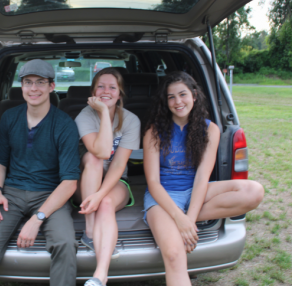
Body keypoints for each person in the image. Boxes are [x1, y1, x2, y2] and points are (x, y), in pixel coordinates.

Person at [0, 59, 80, 286]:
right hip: (11, 194)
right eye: (28, 82)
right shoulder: (9, 118)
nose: (33, 88)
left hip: (50, 195)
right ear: (21, 86)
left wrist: (37, 219)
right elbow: (0, 161)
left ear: (51, 87)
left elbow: (69, 183)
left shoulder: (65, 124)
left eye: (40, 82)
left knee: (65, 244)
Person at [142, 71, 264, 285]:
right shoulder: (153, 131)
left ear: (194, 95)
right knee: (173, 255)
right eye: (171, 97)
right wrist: (179, 218)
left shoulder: (210, 129)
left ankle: (178, 222)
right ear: (166, 101)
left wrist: (188, 220)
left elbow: (202, 177)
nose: (178, 101)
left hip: (197, 191)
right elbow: (152, 182)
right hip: (163, 196)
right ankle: (172, 220)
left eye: (182, 94)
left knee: (254, 191)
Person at [74, 68, 140, 286]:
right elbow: (101, 152)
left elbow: (119, 164)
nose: (106, 91)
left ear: (119, 94)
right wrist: (103, 112)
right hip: (85, 183)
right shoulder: (84, 115)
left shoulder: (131, 121)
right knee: (93, 159)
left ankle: (100, 276)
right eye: (101, 86)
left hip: (114, 180)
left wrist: (101, 194)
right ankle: (90, 231)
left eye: (112, 87)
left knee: (107, 203)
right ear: (93, 91)